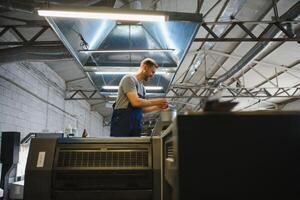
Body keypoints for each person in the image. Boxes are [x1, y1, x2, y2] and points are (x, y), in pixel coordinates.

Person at [110, 58, 168, 137]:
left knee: (134, 148)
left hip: (136, 124)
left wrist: (158, 107)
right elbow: (135, 102)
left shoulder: (143, 88)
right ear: (145, 67)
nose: (152, 75)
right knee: (120, 147)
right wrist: (157, 101)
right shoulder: (129, 79)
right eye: (152, 72)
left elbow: (142, 109)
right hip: (122, 122)